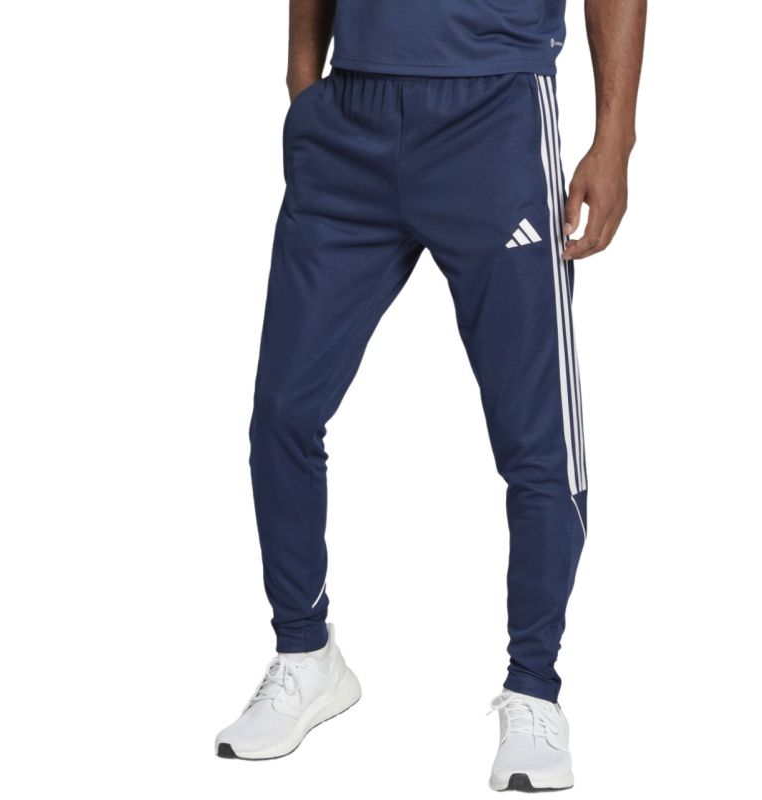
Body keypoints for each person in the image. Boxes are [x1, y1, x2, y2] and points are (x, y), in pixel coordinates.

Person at [216, 0, 645, 790]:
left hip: (493, 116)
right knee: (282, 411)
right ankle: (305, 653)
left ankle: (534, 689)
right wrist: (303, 83)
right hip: (349, 120)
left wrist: (614, 137)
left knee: (535, 435)